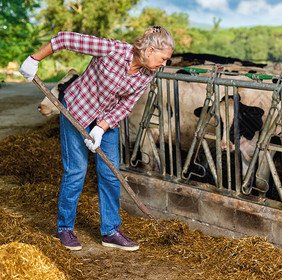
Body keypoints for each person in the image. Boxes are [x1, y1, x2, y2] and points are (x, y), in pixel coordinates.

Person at [19, 26, 175, 251]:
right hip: (77, 110)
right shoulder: (113, 49)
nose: (164, 64)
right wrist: (34, 59)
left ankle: (110, 231)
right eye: (164, 59)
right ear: (150, 50)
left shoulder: (147, 75)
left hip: (106, 120)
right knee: (76, 171)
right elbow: (65, 39)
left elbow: (126, 105)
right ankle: (64, 228)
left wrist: (101, 128)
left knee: (111, 173)